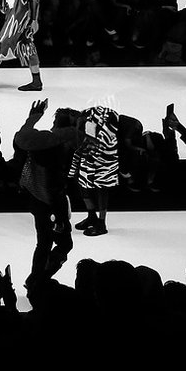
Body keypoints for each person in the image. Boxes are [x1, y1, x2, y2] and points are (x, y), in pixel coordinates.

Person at [14, 99, 82, 281]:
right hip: (54, 201)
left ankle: (36, 280)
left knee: (44, 243)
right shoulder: (68, 141)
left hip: (38, 198)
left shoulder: (41, 141)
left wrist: (33, 118)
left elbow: (21, 137)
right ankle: (38, 280)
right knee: (62, 244)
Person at [69, 106, 120, 237]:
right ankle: (92, 216)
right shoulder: (89, 118)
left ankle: (102, 224)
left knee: (102, 189)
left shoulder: (109, 120)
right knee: (83, 186)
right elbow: (88, 138)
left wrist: (92, 150)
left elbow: (105, 141)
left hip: (104, 160)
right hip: (89, 156)